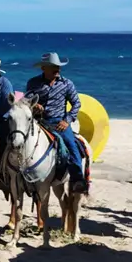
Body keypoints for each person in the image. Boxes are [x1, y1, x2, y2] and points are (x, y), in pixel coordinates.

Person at [25, 52, 86, 193]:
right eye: (53, 66)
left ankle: (78, 180)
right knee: (18, 142)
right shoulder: (33, 83)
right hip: (39, 122)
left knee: (72, 147)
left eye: (58, 66)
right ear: (44, 68)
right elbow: (26, 101)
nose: (57, 69)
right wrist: (34, 106)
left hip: (60, 123)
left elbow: (76, 103)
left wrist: (67, 120)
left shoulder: (66, 84)